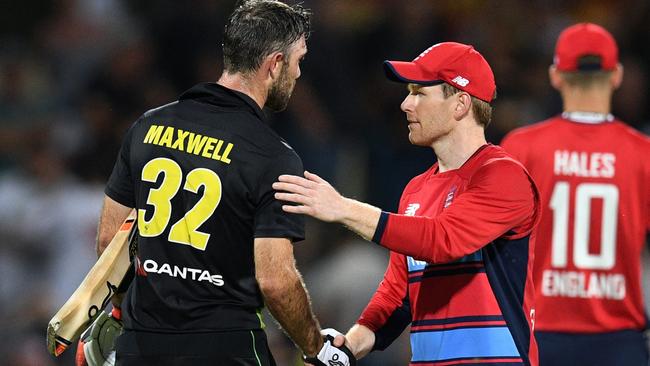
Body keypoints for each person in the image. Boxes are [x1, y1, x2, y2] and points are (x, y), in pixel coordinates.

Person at [90, 1, 353, 365]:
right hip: (226, 349)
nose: (298, 72)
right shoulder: (272, 157)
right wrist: (315, 346)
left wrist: (122, 311)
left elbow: (109, 241)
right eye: (298, 61)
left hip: (142, 345)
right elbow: (276, 282)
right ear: (274, 64)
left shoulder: (147, 127)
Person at [275, 42, 541, 365]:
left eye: (418, 92)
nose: (405, 104)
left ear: (460, 104)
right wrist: (349, 345)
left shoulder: (502, 176)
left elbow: (442, 240)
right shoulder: (416, 191)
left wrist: (343, 208)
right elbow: (398, 295)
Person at [501, 23, 650, 366]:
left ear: (555, 75)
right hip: (619, 341)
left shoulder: (522, 147)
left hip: (538, 336)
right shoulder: (643, 154)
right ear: (617, 76)